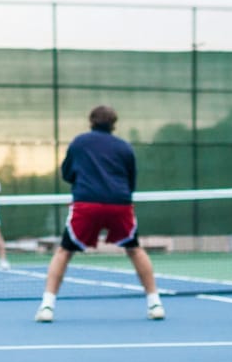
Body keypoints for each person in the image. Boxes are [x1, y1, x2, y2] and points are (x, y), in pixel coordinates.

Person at [35, 105, 164, 323]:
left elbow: (67, 173)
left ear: (91, 121)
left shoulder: (79, 143)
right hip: (119, 204)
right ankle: (155, 303)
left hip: (87, 204)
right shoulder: (124, 147)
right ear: (114, 123)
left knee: (64, 252)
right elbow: (131, 181)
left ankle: (47, 306)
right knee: (134, 249)